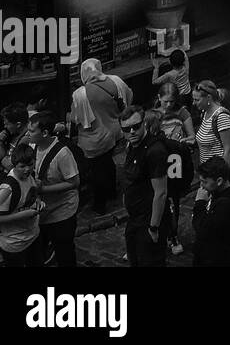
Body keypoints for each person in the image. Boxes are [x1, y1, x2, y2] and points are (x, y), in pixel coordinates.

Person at [69, 58, 132, 214]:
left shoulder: (80, 94)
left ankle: (100, 205)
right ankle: (112, 192)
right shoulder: (116, 81)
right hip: (116, 132)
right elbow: (129, 98)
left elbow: (77, 119)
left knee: (98, 172)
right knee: (108, 163)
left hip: (94, 139)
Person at [27, 111, 79, 268]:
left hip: (61, 211)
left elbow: (74, 182)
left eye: (31, 131)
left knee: (64, 253)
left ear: (44, 133)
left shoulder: (62, 153)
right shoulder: (32, 147)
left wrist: (43, 189)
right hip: (41, 212)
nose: (27, 134)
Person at [119, 106, 168, 267]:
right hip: (135, 218)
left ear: (144, 124)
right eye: (126, 129)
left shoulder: (154, 151)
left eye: (136, 126)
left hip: (148, 220)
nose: (131, 131)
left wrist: (153, 227)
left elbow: (160, 193)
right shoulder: (132, 146)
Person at [0, 143, 44, 266]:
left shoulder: (29, 176)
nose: (27, 169)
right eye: (22, 166)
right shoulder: (7, 188)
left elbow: (32, 194)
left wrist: (39, 202)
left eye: (30, 165)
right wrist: (24, 215)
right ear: (15, 165)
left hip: (32, 237)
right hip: (14, 244)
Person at [155, 80, 194, 255]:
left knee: (173, 198)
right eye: (165, 101)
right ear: (159, 98)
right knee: (155, 196)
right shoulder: (153, 114)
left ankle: (172, 235)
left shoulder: (183, 112)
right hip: (157, 161)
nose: (169, 105)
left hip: (175, 160)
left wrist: (182, 142)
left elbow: (192, 136)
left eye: (172, 101)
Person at [191, 157, 230, 267]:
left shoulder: (226, 205)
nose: (201, 187)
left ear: (219, 181)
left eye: (204, 182)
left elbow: (203, 230)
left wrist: (200, 203)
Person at [190, 81, 230, 205]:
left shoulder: (221, 117)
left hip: (215, 177)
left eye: (197, 100)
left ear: (208, 98)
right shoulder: (205, 114)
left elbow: (227, 149)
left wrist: (221, 177)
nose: (194, 103)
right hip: (207, 175)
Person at [0, 103, 33, 169]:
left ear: (18, 124)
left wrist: (3, 160)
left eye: (7, 124)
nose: (5, 127)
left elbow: (11, 166)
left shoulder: (26, 138)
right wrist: (0, 142)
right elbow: (1, 157)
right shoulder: (14, 133)